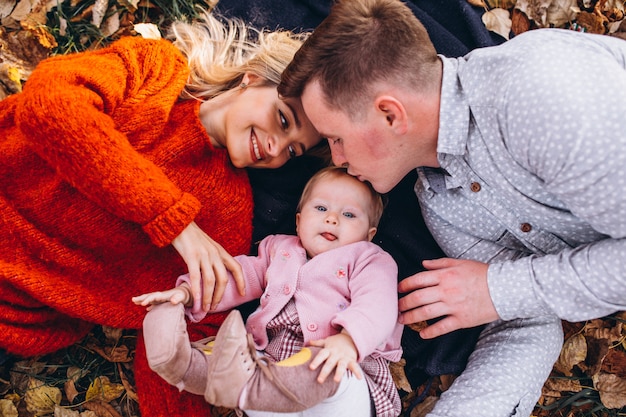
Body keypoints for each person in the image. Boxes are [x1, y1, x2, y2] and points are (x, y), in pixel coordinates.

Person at [278, 0, 626, 416]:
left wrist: (498, 288)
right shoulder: (441, 201)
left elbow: (508, 290)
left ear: (390, 115)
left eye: (336, 137)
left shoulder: (536, 96)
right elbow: (523, 315)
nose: (336, 159)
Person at [0, 10, 324, 417]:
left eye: (293, 150)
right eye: (283, 120)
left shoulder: (228, 215)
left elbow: (184, 334)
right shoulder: (158, 71)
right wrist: (173, 219)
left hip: (12, 306)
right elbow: (51, 106)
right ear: (254, 79)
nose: (277, 148)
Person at [133, 166, 404, 417]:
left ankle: (243, 385)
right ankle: (185, 364)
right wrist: (189, 292)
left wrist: (349, 342)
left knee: (331, 372)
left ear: (369, 234)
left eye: (348, 214)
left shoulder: (369, 259)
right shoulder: (279, 250)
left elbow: (378, 304)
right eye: (321, 208)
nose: (332, 219)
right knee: (247, 366)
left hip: (342, 373)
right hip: (276, 370)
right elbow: (240, 276)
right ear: (298, 221)